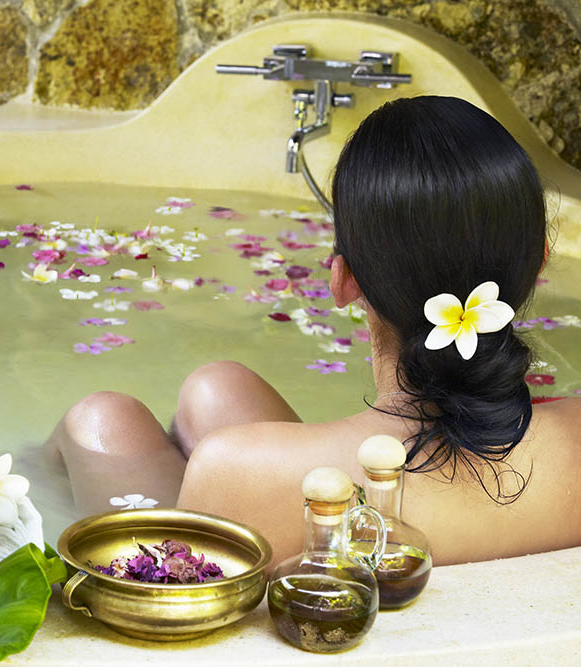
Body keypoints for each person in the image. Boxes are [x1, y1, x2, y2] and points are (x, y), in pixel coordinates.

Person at [44, 96, 581, 567]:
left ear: (343, 279)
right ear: (539, 262)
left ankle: (42, 460)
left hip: (269, 505)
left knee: (99, 418)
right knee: (220, 386)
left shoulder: (235, 475)